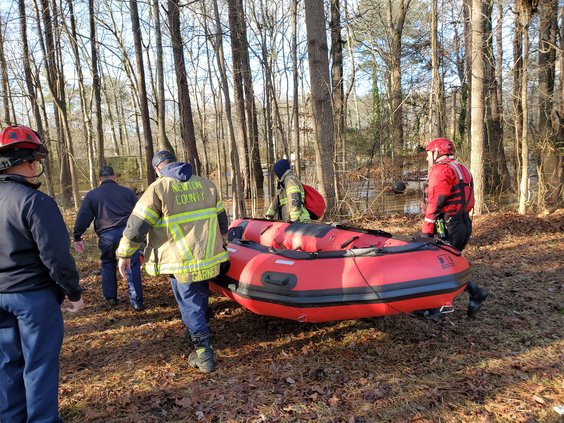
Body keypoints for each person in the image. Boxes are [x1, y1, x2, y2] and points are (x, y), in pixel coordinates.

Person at [116, 150, 229, 373]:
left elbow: (137, 226)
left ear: (158, 169)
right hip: (207, 256)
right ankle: (198, 330)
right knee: (199, 294)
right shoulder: (206, 184)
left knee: (188, 301)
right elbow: (222, 218)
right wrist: (223, 243)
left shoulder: (158, 188)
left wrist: (124, 254)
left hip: (181, 260)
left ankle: (203, 352)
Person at [0, 125, 84, 422]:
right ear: (28, 161)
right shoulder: (35, 201)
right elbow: (56, 256)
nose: (38, 166)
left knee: (7, 365)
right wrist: (73, 292)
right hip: (33, 297)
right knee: (39, 366)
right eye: (36, 160)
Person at [421, 137, 487, 317]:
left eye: (428, 154)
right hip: (463, 223)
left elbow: (436, 200)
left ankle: (438, 307)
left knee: (439, 265)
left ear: (436, 153)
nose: (427, 158)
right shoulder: (462, 168)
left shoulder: (441, 170)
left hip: (450, 225)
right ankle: (475, 293)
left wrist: (427, 228)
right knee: (449, 264)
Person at [73, 165, 144, 311]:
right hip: (128, 234)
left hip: (107, 236)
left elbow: (83, 217)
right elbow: (141, 213)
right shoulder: (128, 192)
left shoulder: (93, 195)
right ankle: (136, 301)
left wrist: (77, 236)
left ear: (100, 179)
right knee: (131, 264)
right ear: (114, 177)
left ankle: (111, 297)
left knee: (107, 263)